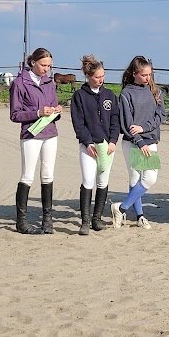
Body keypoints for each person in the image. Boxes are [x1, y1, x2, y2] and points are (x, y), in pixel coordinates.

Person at [10, 47, 62, 234]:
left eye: (49, 65)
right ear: (33, 62)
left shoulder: (49, 82)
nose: (46, 69)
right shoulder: (19, 83)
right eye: (43, 65)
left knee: (48, 174)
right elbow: (15, 115)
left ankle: (47, 219)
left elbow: (54, 103)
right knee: (28, 175)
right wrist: (38, 113)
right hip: (31, 134)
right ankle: (21, 221)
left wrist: (56, 112)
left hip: (50, 132)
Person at [111, 56, 166, 229]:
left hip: (150, 140)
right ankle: (140, 216)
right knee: (135, 178)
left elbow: (160, 115)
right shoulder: (126, 93)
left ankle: (121, 207)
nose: (148, 78)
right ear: (135, 74)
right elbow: (127, 123)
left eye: (150, 74)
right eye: (144, 75)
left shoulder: (155, 91)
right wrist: (139, 141)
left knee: (150, 178)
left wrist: (144, 127)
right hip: (133, 142)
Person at [70, 54, 120, 235]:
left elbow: (115, 119)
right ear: (88, 76)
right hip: (88, 146)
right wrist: (87, 142)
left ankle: (96, 218)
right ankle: (85, 220)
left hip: (107, 146)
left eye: (103, 76)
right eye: (97, 77)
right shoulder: (79, 96)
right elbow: (78, 122)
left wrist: (113, 140)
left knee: (103, 181)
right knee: (88, 180)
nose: (101, 79)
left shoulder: (109, 95)